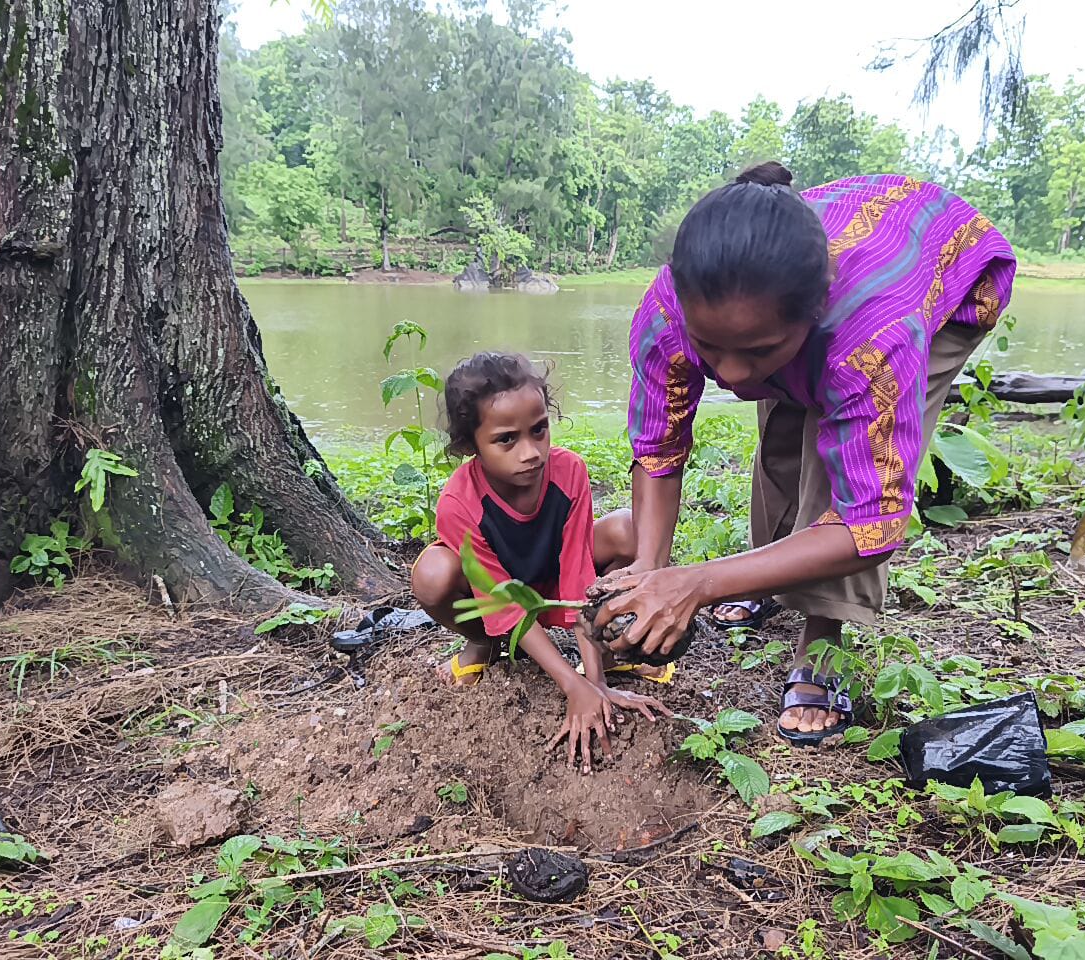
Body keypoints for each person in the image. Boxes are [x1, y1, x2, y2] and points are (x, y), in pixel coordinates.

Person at [594, 164, 1016, 746]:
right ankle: (761, 581)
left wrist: (697, 583)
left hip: (946, 274)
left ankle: (820, 642)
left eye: (757, 350)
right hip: (801, 311)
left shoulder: (875, 332)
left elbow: (870, 524)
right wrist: (650, 569)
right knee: (781, 436)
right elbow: (659, 450)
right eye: (709, 347)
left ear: (815, 309)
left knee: (834, 449)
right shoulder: (669, 314)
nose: (732, 376)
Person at [411, 351, 671, 771]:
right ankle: (482, 642)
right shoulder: (458, 502)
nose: (530, 452)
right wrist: (572, 686)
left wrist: (594, 682)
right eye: (506, 439)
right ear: (469, 445)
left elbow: (578, 581)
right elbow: (502, 601)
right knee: (432, 574)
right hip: (496, 596)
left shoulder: (569, 472)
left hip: (551, 583)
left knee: (630, 530)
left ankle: (606, 651)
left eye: (539, 430)